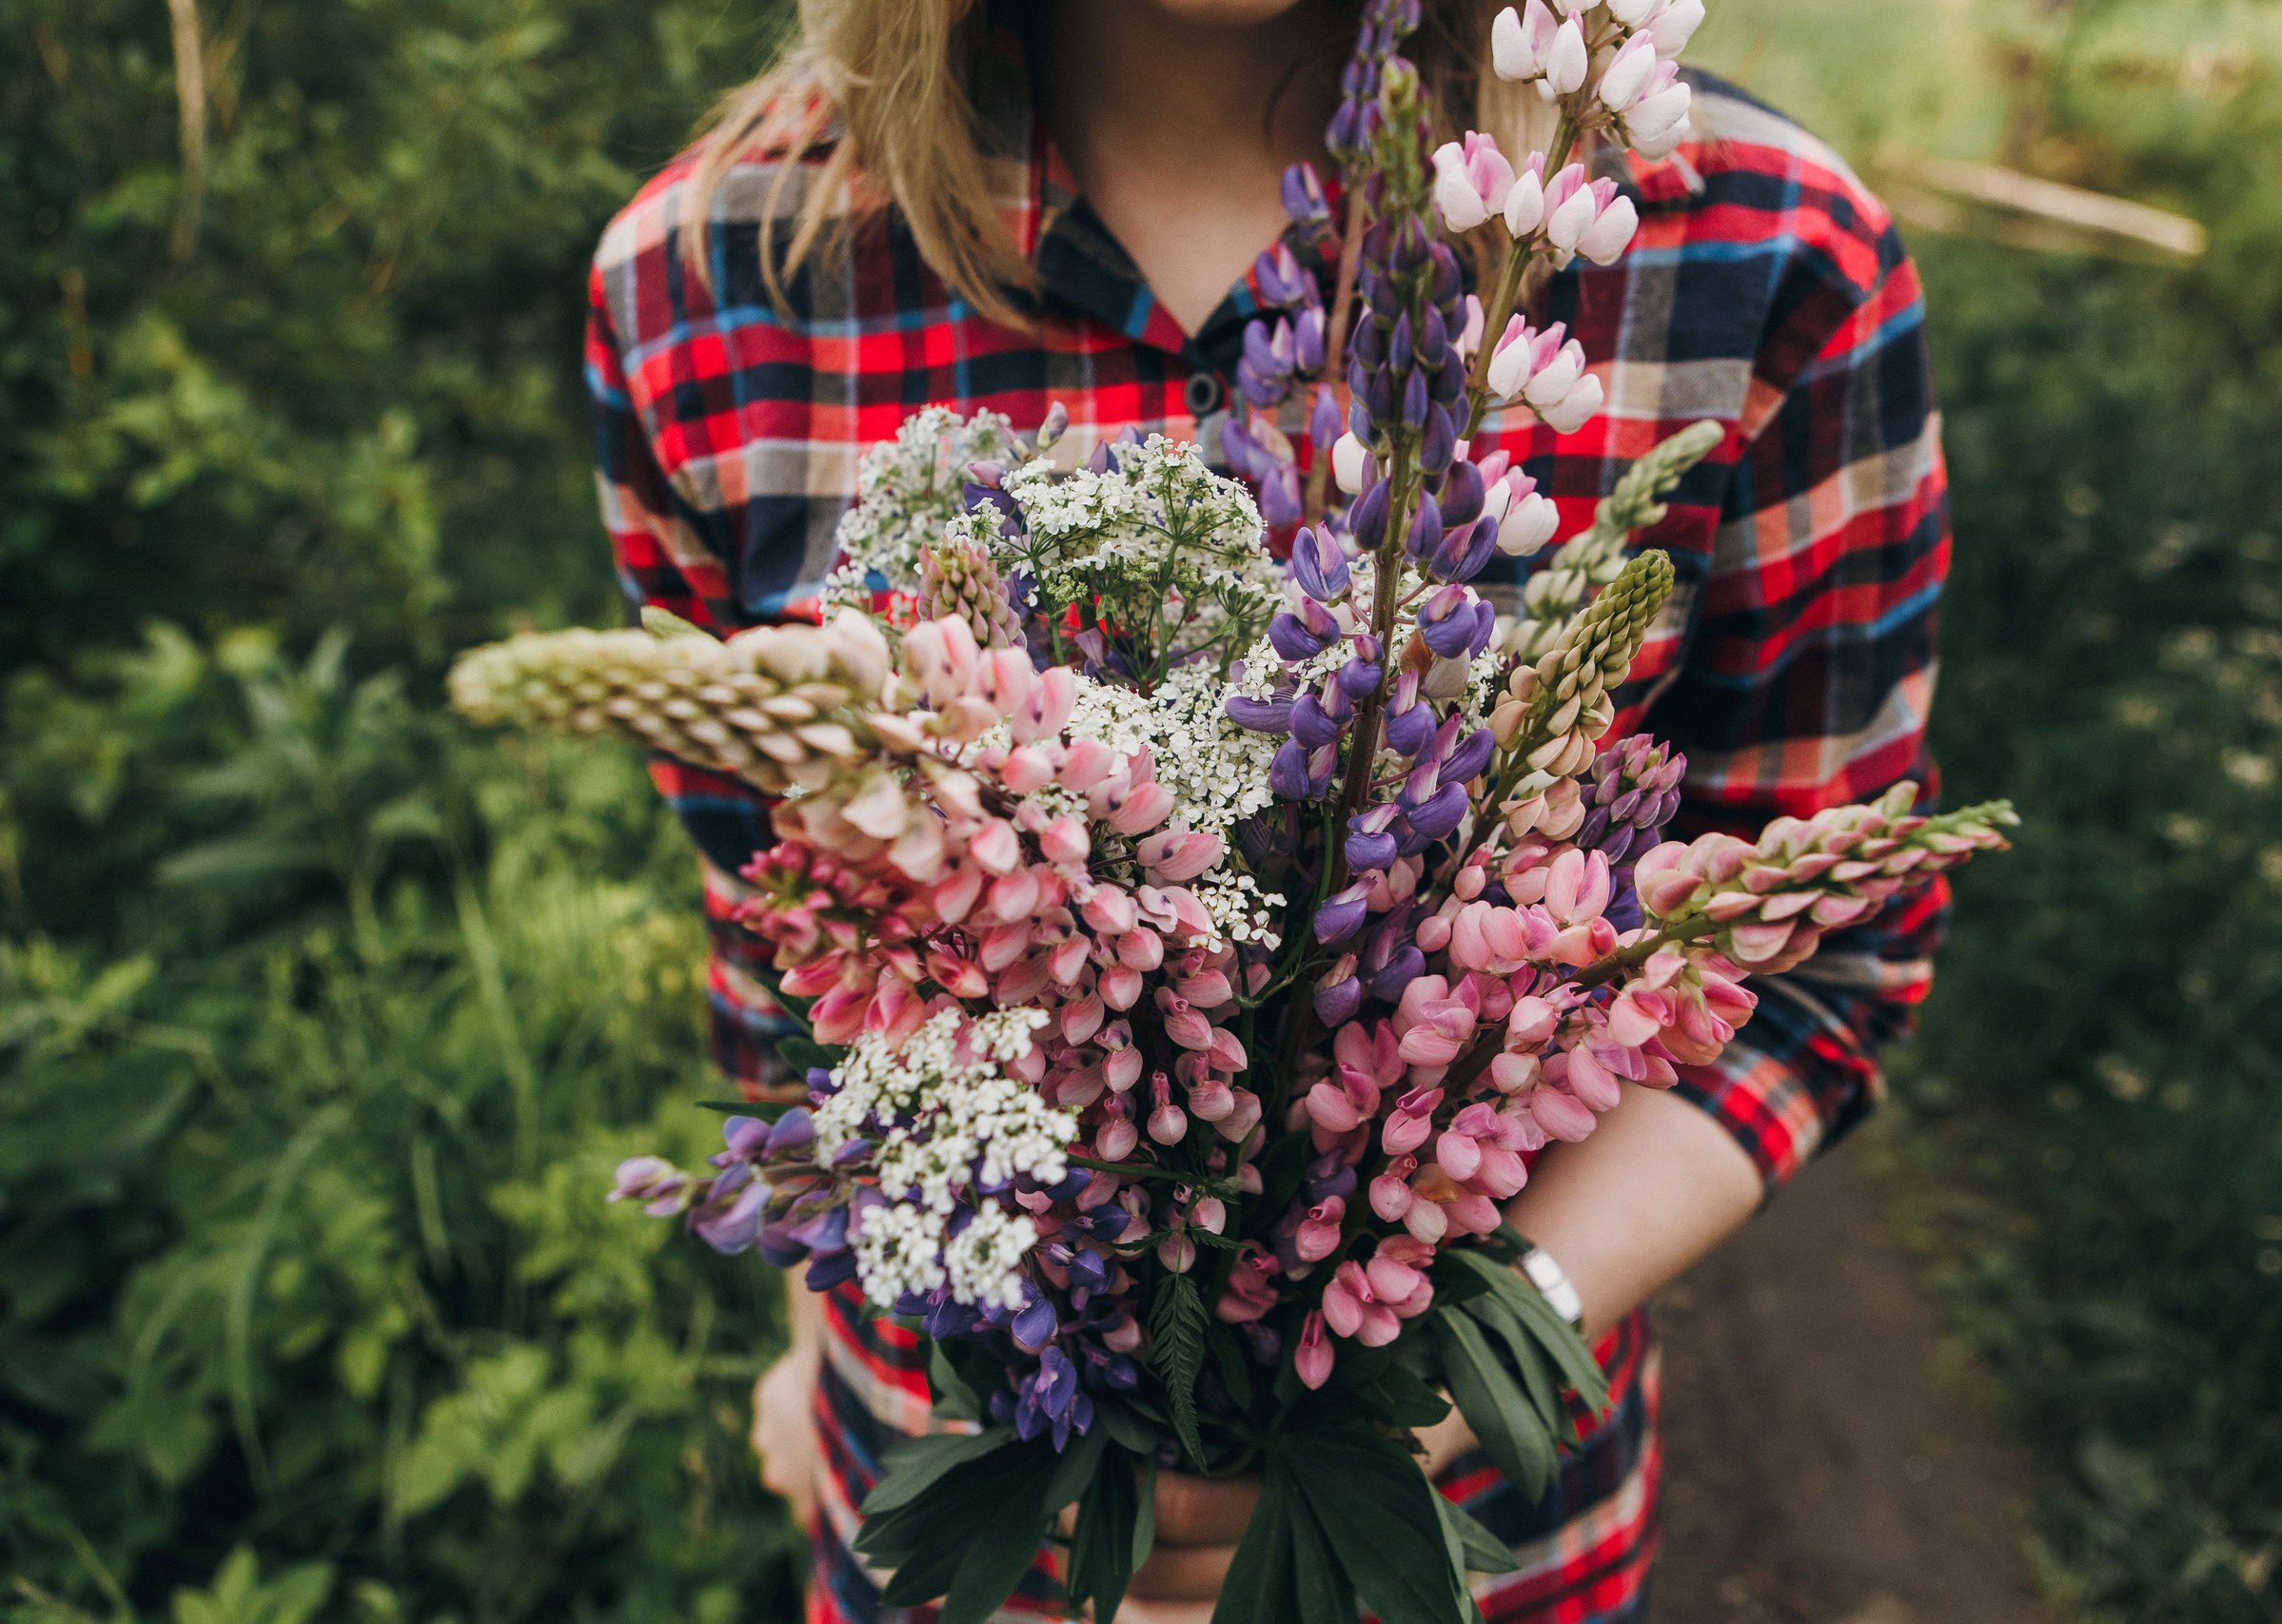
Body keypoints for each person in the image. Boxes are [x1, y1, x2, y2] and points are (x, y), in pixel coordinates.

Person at [586, 0, 1952, 1614]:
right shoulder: (707, 275)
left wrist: (1422, 1372)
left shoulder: (1765, 260)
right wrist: (811, 1321)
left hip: (1451, 1541)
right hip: (958, 1503)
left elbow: (1810, 954)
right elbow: (781, 945)